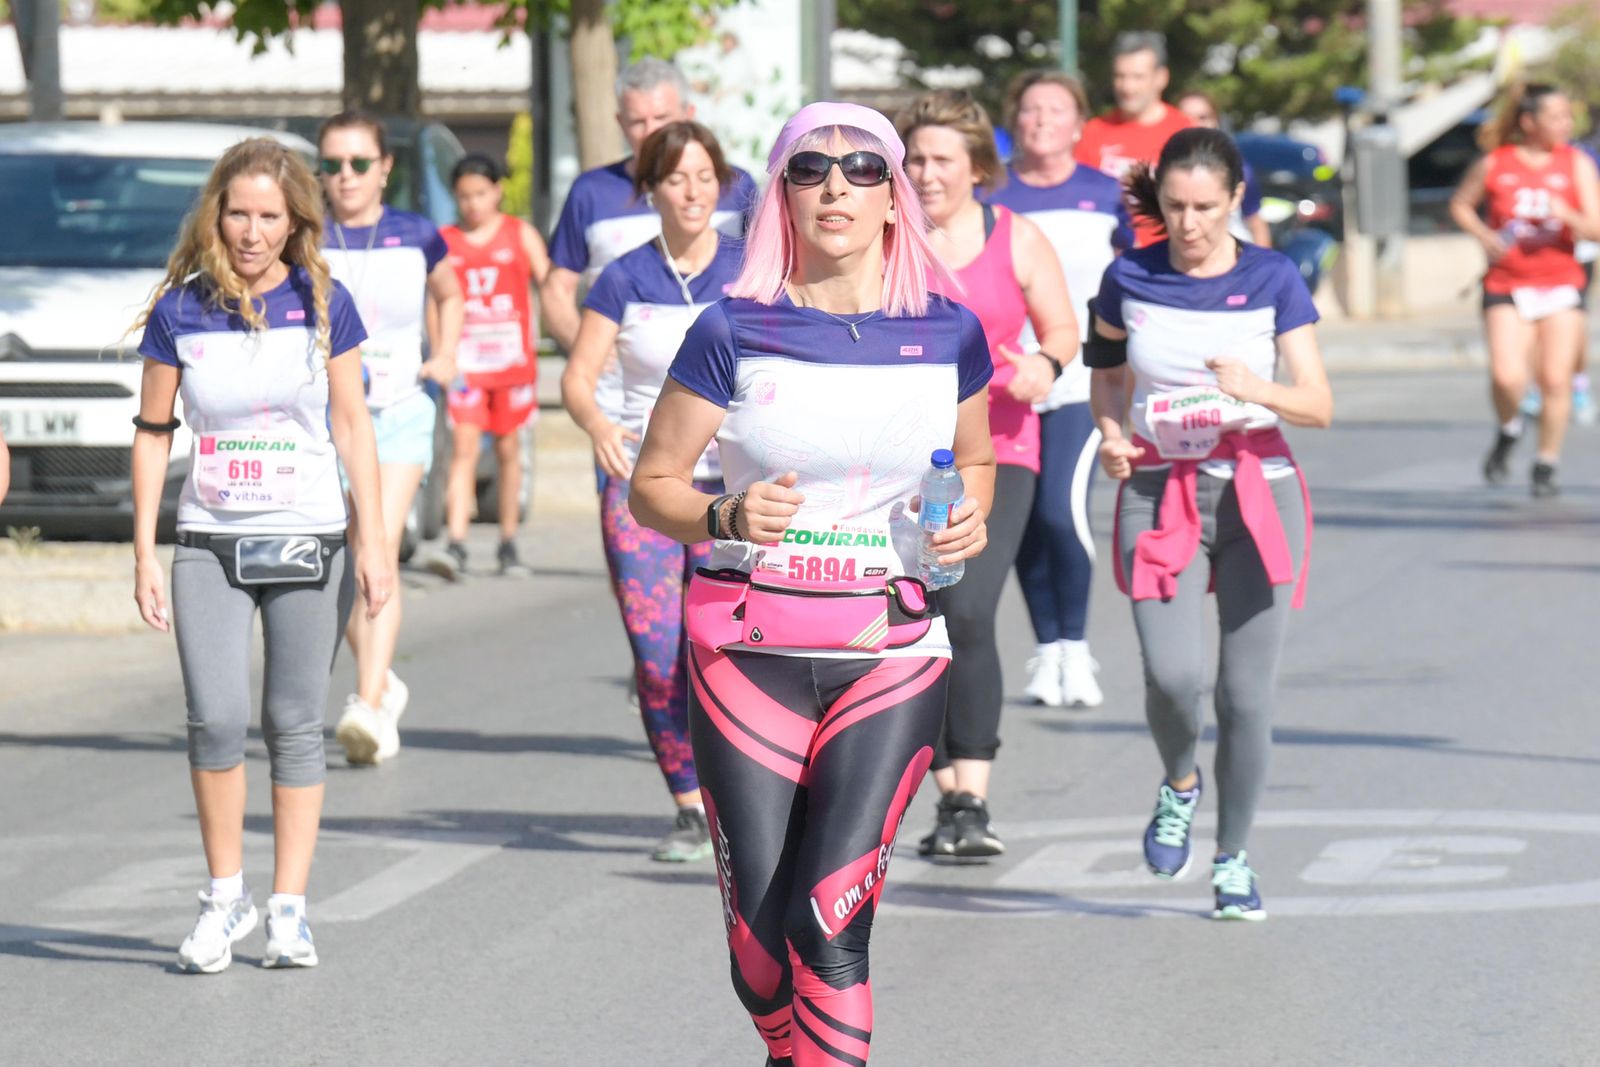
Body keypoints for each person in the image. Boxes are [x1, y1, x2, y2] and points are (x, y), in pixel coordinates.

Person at [629, 102, 994, 1065]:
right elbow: (651, 487)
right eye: (811, 168)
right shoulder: (732, 328)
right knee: (760, 952)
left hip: (891, 651)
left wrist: (967, 514)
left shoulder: (949, 331)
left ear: (893, 196)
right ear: (782, 193)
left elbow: (978, 461)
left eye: (863, 168)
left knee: (827, 926)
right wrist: (723, 516)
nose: (837, 185)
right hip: (750, 653)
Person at [129, 137, 392, 972]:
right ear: (216, 213)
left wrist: (374, 538)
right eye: (237, 212)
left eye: (268, 215)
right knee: (215, 717)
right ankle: (223, 896)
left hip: (310, 535)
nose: (250, 231)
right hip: (209, 538)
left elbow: (353, 423)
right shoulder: (181, 308)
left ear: (294, 221)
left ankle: (288, 909)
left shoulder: (325, 302)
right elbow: (152, 433)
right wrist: (143, 546)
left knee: (292, 723)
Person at [1086, 127, 1332, 920]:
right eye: (1173, 207)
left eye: (1203, 208)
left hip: (1259, 489)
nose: (1187, 224)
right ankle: (1179, 783)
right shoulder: (1128, 277)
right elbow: (1107, 378)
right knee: (1171, 675)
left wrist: (1255, 387)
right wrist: (1115, 436)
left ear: (1235, 201)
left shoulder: (1273, 276)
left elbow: (1319, 405)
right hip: (1159, 489)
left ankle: (1234, 856)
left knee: (1246, 695)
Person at [898, 89, 1078, 860]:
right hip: (903, 457)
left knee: (967, 607)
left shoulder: (1018, 238)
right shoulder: (889, 238)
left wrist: (1045, 361)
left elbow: (1063, 326)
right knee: (918, 614)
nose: (925, 172)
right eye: (914, 159)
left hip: (1000, 450)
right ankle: (944, 795)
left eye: (941, 159)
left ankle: (971, 794)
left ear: (977, 166)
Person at [559, 121, 745, 862]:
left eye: (705, 177)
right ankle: (689, 805)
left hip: (733, 490)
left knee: (724, 645)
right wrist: (598, 422)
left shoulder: (749, 270)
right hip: (642, 488)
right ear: (651, 190)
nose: (692, 192)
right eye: (676, 179)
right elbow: (578, 376)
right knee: (656, 650)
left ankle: (741, 788)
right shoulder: (624, 276)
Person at [318, 109, 465, 764]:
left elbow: (451, 293)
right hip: (329, 417)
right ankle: (381, 687)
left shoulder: (417, 234)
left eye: (357, 163)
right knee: (350, 553)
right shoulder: (304, 237)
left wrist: (446, 354)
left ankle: (368, 700)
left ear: (384, 169)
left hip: (402, 409)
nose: (344, 177)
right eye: (331, 164)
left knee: (374, 533)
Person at [989, 69, 1132, 710]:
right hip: (1005, 385)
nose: (1042, 119)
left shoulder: (1107, 195)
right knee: (1019, 526)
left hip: (1081, 382)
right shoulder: (992, 193)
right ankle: (1048, 651)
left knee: (1059, 511)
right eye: (1031, 109)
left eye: (1056, 110)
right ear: (1014, 120)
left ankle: (1077, 646)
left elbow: (1136, 275)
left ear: (1079, 125)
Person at [542, 57, 758, 454]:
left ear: (689, 115)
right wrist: (593, 346)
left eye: (662, 117)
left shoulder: (737, 185)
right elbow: (556, 290)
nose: (651, 131)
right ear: (620, 123)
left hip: (721, 434)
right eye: (637, 121)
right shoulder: (591, 192)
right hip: (622, 411)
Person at [1450, 82, 1600, 497]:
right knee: (1507, 375)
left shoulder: (1577, 164)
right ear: (1528, 122)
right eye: (1556, 117)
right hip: (1507, 283)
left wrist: (1568, 213)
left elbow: (1597, 227)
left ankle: (1545, 463)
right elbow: (1461, 204)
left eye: (1568, 116)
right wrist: (1484, 235)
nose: (1565, 124)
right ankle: (1509, 428)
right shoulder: (1496, 163)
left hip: (1561, 283)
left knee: (1555, 379)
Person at [437, 154, 552, 578]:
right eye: (464, 196)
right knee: (462, 450)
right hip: (466, 365)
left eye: (480, 194)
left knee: (509, 452)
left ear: (497, 191)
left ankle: (508, 542)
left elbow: (550, 284)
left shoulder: (519, 234)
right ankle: (456, 543)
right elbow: (433, 299)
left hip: (513, 367)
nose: (472, 204)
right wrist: (440, 350)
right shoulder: (444, 240)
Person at [1077, 31, 1192, 247]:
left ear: (1161, 78)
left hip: (1167, 259)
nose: (1127, 87)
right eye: (1120, 76)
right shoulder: (1093, 132)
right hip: (1108, 257)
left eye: (1138, 77)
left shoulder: (1185, 133)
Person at [1175, 89, 1272, 248]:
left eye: (1203, 117)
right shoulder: (1161, 170)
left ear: (1216, 121)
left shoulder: (1238, 169)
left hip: (1233, 262)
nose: (1195, 124)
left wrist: (1265, 269)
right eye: (1186, 117)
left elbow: (1257, 224)